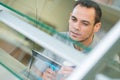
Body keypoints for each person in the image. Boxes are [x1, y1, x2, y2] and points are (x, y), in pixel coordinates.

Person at [32, 0, 102, 80]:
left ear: (96, 27)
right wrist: (42, 76)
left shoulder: (106, 54)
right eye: (74, 19)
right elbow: (35, 69)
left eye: (85, 23)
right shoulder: (59, 38)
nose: (76, 27)